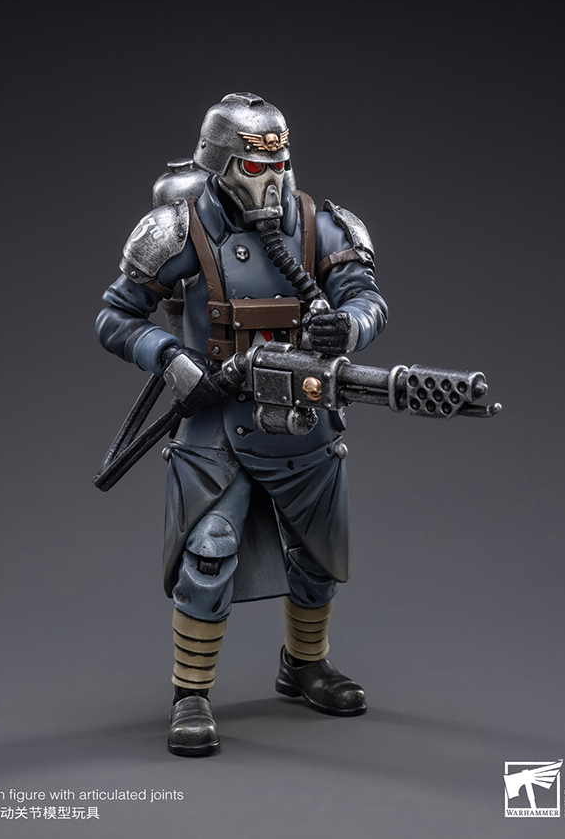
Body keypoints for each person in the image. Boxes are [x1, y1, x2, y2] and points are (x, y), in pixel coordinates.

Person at [96, 93, 388, 755]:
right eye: (256, 167)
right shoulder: (178, 229)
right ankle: (191, 693)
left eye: (281, 163)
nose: (273, 179)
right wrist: (171, 359)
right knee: (208, 554)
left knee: (317, 555)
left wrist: (348, 327)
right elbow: (115, 316)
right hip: (216, 420)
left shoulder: (321, 225)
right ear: (222, 165)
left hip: (303, 419)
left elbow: (367, 298)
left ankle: (305, 665)